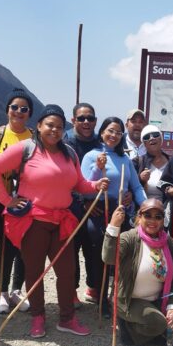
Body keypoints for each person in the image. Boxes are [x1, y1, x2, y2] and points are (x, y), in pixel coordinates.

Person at [0, 105, 109, 338]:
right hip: (33, 220)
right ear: (39, 126)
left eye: (59, 127)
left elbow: (78, 184)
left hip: (61, 219)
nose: (54, 130)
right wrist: (6, 201)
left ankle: (67, 318)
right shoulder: (26, 148)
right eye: (50, 125)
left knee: (67, 270)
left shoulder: (69, 153)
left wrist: (95, 185)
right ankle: (38, 317)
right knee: (34, 271)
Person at [103, 199, 173, 346]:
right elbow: (109, 258)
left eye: (158, 217)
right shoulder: (129, 238)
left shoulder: (168, 242)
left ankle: (157, 331)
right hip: (130, 300)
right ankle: (130, 333)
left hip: (158, 298)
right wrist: (113, 227)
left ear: (163, 219)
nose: (153, 220)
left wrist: (172, 308)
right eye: (147, 215)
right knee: (157, 322)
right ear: (139, 217)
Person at [81, 117, 147, 304]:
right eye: (110, 130)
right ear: (102, 132)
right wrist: (97, 168)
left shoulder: (124, 158)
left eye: (118, 132)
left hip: (120, 210)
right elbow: (84, 188)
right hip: (99, 211)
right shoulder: (90, 156)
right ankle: (101, 298)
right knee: (100, 254)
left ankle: (118, 296)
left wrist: (144, 205)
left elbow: (136, 187)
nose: (114, 135)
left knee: (122, 254)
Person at [0, 88, 34, 315]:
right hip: (1, 200)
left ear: (30, 114)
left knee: (23, 246)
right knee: (5, 248)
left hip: (25, 201)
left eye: (24, 109)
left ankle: (16, 290)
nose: (19, 112)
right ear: (7, 110)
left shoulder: (34, 137)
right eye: (14, 107)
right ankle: (2, 292)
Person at [64, 102, 102, 305]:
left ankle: (93, 286)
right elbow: (62, 177)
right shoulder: (65, 142)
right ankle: (71, 290)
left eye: (90, 118)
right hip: (71, 204)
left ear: (95, 121)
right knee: (71, 248)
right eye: (81, 118)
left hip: (95, 203)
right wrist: (83, 201)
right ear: (73, 120)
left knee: (94, 246)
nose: (86, 122)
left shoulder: (101, 142)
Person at [133, 124, 170, 203]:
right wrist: (140, 179)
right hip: (144, 209)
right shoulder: (137, 162)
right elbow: (129, 186)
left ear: (161, 139)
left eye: (155, 135)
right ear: (144, 144)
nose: (152, 138)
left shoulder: (172, 161)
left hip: (167, 211)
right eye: (147, 137)